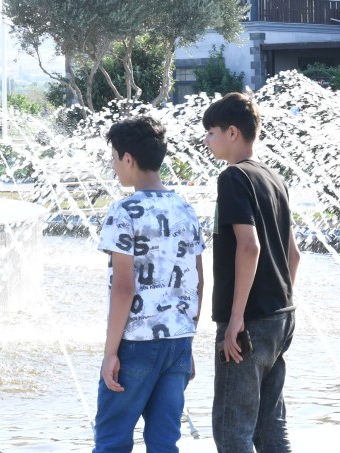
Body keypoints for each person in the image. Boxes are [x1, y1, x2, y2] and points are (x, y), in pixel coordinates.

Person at [94, 115, 206, 453]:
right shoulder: (186, 209)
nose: (113, 166)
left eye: (114, 158)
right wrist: (187, 338)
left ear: (128, 158)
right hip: (178, 341)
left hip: (136, 343)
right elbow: (199, 280)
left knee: (112, 440)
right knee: (164, 442)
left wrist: (110, 353)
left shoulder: (123, 212)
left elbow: (124, 288)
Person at [203, 92, 301, 453]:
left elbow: (249, 246)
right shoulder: (274, 178)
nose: (206, 140)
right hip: (280, 316)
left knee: (232, 431)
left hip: (250, 323)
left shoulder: (233, 178)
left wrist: (236, 318)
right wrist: (279, 302)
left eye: (211, 132)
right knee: (270, 429)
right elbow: (294, 255)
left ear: (232, 133)